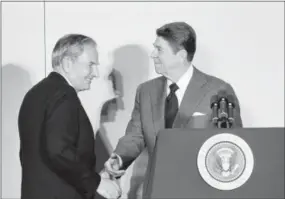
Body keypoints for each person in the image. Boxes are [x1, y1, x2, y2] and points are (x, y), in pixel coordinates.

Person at [103, 22, 243, 197]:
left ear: (181, 55)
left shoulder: (219, 90)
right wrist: (119, 158)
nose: (153, 54)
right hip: (157, 191)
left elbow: (232, 144)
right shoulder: (145, 91)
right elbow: (135, 135)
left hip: (202, 192)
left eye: (159, 50)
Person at [18, 34, 121, 199]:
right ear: (67, 63)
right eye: (91, 65)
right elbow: (59, 151)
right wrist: (96, 182)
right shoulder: (65, 95)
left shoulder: (35, 94)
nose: (95, 73)